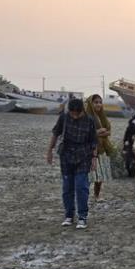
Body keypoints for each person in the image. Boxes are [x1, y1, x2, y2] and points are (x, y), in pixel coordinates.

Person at [46, 98, 98, 230]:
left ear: (82, 111)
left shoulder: (90, 120)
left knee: (81, 187)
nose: (74, 115)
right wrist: (49, 151)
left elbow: (94, 141)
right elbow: (55, 134)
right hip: (66, 156)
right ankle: (69, 215)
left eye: (77, 113)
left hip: (83, 156)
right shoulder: (64, 118)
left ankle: (82, 217)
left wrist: (94, 158)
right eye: (72, 112)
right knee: (67, 188)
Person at [85, 95, 113, 201]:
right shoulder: (86, 117)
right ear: (90, 104)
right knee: (88, 174)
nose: (98, 104)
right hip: (89, 150)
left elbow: (109, 131)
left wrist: (99, 133)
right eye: (96, 102)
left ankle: (96, 195)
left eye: (100, 102)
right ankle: (84, 195)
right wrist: (99, 132)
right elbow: (85, 134)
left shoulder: (102, 116)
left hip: (102, 148)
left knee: (100, 175)